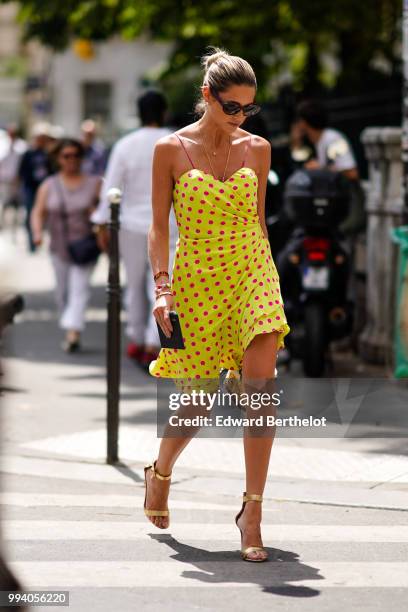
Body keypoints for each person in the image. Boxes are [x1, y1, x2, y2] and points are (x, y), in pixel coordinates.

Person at [145, 47, 290, 562]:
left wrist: (270, 283)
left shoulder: (258, 149)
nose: (240, 118)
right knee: (198, 400)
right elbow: (159, 227)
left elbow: (259, 221)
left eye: (248, 109)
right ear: (207, 96)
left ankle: (252, 512)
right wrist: (162, 288)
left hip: (252, 271)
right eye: (232, 107)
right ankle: (160, 473)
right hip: (197, 281)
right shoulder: (169, 149)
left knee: (259, 391)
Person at [91, 90, 178, 370]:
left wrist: (102, 224)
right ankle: (159, 341)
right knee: (165, 284)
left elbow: (112, 188)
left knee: (136, 283)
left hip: (130, 223)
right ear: (164, 112)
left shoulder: (126, 145)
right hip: (170, 224)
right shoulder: (178, 142)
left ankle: (138, 338)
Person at [31, 138, 102, 352]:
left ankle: (73, 332)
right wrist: (37, 233)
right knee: (62, 293)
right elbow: (38, 212)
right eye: (66, 156)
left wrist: (97, 218)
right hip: (59, 248)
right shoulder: (49, 185)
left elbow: (106, 214)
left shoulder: (95, 183)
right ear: (58, 159)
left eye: (76, 155)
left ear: (82, 158)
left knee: (79, 290)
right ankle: (71, 324)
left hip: (85, 247)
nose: (71, 160)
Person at [294, 99, 366, 236]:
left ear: (303, 123)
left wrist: (320, 169)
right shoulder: (320, 141)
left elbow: (352, 173)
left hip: (348, 205)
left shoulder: (333, 139)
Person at [18, 122, 53, 252]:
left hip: (46, 189)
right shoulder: (29, 153)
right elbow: (22, 172)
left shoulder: (49, 154)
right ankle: (32, 241)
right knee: (31, 214)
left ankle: (46, 239)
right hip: (31, 189)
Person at [0, 124, 27, 229]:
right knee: (3, 202)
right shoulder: (2, 145)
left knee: (18, 203)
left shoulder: (22, 146)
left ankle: (15, 224)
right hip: (4, 180)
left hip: (17, 180)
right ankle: (2, 223)